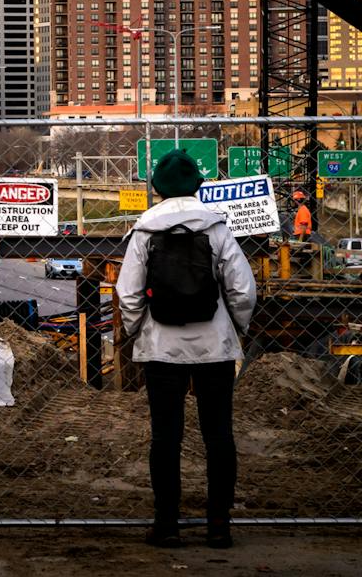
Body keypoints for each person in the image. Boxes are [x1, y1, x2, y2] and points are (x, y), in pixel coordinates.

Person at [117, 150, 257, 549]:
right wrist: (236, 327)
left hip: (161, 349)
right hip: (214, 347)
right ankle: (218, 525)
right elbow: (242, 289)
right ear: (197, 184)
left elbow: (127, 293)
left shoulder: (144, 231)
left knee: (165, 437)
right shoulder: (216, 229)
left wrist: (135, 331)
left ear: (157, 188)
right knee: (218, 436)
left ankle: (167, 525)